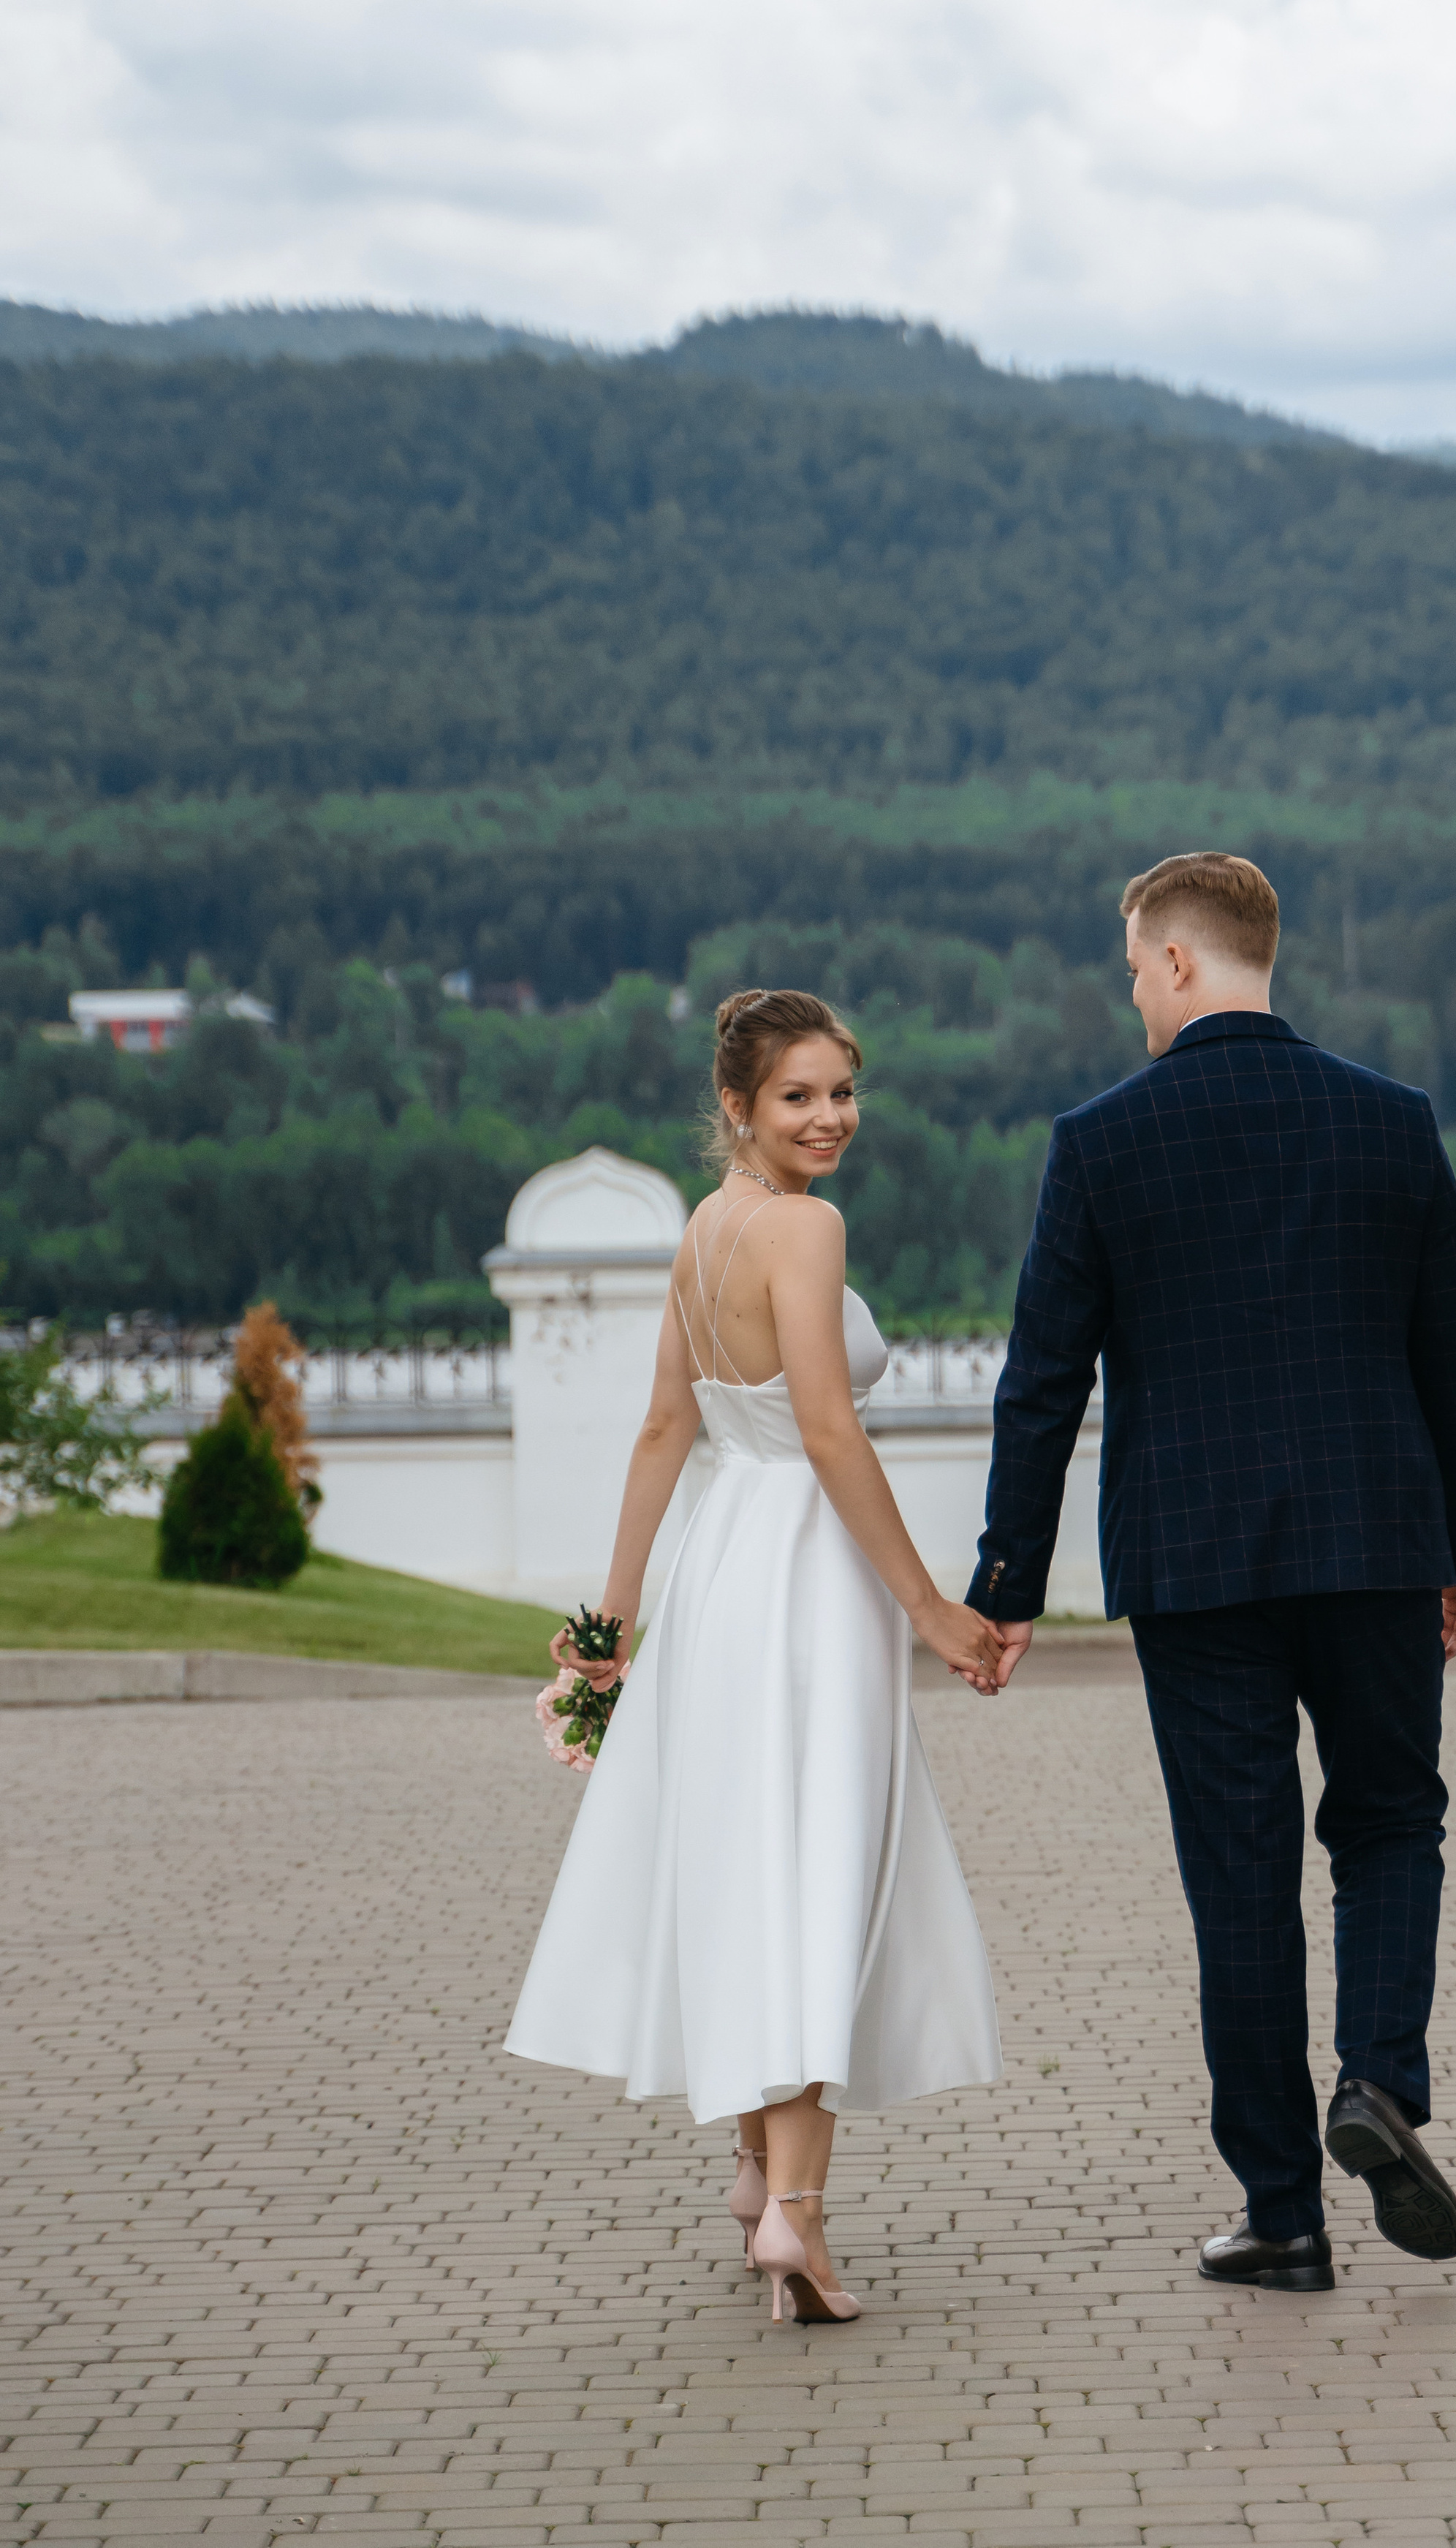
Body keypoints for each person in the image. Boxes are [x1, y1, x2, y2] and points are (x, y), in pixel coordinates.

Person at [968, 853, 1456, 2293]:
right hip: (1378, 1541)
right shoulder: (1391, 1124)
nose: (1132, 988)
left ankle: (1280, 2212)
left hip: (1194, 1561)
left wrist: (1004, 1575)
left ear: (1186, 960)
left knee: (1241, 1875)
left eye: (1137, 964)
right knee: (1388, 1819)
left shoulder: (1098, 1141)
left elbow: (1043, 1380)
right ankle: (1377, 2078)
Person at [506, 988, 1005, 2327]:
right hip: (806, 1573)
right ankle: (800, 2213)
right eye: (799, 1095)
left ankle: (747, 2170)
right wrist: (929, 1607)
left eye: (843, 1091)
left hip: (720, 1570)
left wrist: (614, 1633)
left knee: (745, 1860)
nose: (830, 1116)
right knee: (816, 1872)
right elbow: (832, 1437)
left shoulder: (701, 1230)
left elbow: (664, 1432)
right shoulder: (804, 1227)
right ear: (739, 1105)